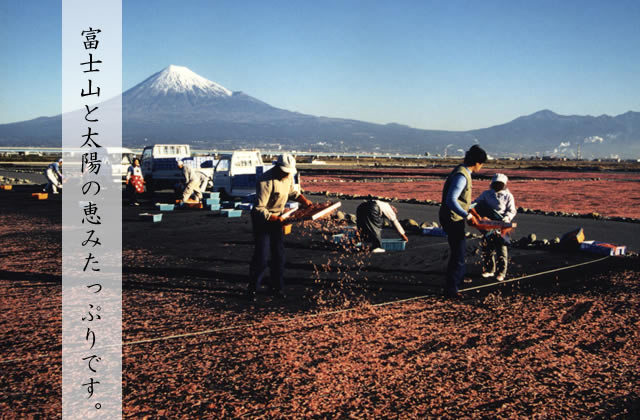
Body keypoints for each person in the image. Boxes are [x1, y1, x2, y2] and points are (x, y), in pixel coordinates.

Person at [247, 153, 313, 301]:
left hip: (278, 217)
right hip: (263, 220)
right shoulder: (265, 181)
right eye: (285, 171)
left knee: (279, 255)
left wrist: (304, 200)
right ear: (278, 168)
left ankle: (276, 287)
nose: (287, 174)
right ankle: (253, 289)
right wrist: (275, 218)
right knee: (262, 256)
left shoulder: (288, 176)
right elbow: (259, 208)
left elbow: (292, 192)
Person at [439, 145, 487, 299]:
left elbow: (461, 200)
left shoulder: (463, 172)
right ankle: (451, 289)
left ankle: (458, 280)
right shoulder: (462, 175)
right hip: (453, 219)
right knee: (458, 253)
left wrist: (473, 210)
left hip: (454, 217)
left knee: (460, 249)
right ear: (478, 162)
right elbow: (451, 200)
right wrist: (467, 215)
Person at [473, 173, 516, 281]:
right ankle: (489, 270)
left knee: (501, 248)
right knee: (487, 247)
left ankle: (502, 272)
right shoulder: (486, 194)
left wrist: (506, 218)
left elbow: (512, 210)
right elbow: (476, 203)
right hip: (488, 223)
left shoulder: (508, 196)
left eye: (500, 184)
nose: (497, 186)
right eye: (495, 184)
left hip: (502, 224)